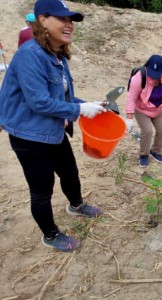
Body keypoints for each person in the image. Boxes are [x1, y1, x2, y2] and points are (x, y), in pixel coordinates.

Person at [0, 0, 107, 252]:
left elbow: (61, 99)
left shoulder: (56, 56)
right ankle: (50, 234)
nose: (69, 24)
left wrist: (90, 104)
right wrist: (79, 110)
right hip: (28, 135)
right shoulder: (30, 55)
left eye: (71, 20)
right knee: (41, 189)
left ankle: (76, 205)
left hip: (53, 130)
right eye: (62, 18)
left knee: (69, 171)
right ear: (42, 20)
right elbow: (39, 102)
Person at [125, 54, 162, 168]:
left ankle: (155, 151)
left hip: (157, 108)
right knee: (147, 131)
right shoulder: (139, 76)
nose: (154, 77)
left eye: (157, 74)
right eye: (152, 73)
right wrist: (129, 118)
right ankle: (144, 155)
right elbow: (131, 97)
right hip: (141, 109)